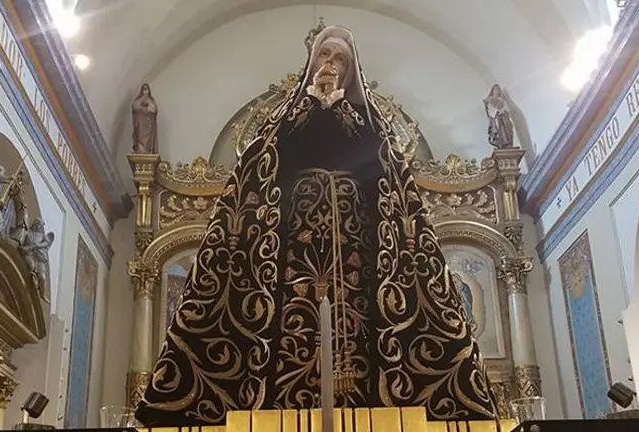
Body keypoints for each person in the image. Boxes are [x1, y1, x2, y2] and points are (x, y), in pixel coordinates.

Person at [136, 25, 498, 427]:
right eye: (325, 55)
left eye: (341, 59)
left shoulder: (369, 127)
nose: (331, 64)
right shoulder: (282, 123)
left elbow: (383, 177)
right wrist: (312, 104)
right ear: (312, 62)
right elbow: (263, 168)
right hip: (289, 251)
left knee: (361, 333)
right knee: (290, 328)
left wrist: (339, 107)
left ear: (351, 70)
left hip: (359, 253)